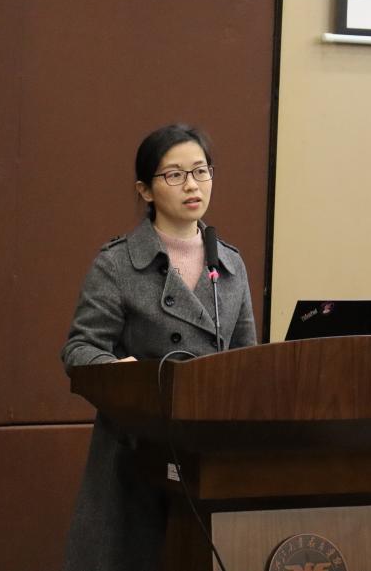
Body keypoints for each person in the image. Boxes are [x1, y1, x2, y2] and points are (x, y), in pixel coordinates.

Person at [60, 123, 257, 570]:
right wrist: (123, 374)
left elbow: (247, 358)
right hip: (137, 454)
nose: (192, 185)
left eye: (201, 171)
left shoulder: (229, 264)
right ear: (145, 190)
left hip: (211, 455)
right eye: (174, 175)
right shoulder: (117, 263)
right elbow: (80, 349)